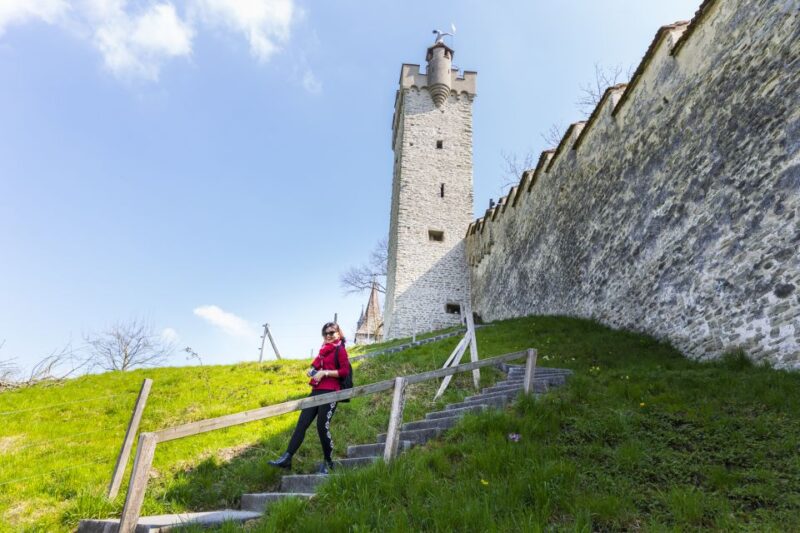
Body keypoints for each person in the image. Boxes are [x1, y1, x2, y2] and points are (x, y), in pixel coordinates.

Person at [268, 322, 351, 474]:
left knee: (322, 427)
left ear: (338, 333)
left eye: (331, 332)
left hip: (331, 393)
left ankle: (328, 462)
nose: (328, 335)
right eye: (325, 333)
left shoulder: (340, 349)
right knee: (301, 424)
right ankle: (287, 458)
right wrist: (312, 371)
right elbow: (315, 367)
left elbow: (344, 371)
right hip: (316, 391)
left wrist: (325, 372)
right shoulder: (323, 351)